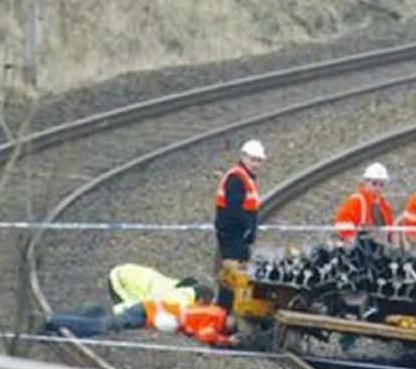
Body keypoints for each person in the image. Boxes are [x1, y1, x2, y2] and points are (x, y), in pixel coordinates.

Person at [43, 288, 242, 347]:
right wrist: (226, 341)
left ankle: (66, 318)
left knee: (104, 323)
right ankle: (55, 321)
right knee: (102, 326)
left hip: (148, 308)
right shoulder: (213, 322)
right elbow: (205, 335)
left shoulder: (214, 311)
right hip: (146, 314)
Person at [214, 139, 266, 310]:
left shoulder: (243, 178)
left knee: (235, 274)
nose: (256, 164)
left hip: (236, 235)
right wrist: (246, 229)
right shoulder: (237, 178)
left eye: (259, 161)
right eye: (253, 160)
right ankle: (225, 312)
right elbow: (234, 209)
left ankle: (228, 311)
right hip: (233, 235)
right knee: (232, 275)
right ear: (243, 157)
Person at [333, 162, 395, 241]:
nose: (378, 187)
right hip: (361, 247)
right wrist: (352, 239)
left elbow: (389, 227)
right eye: (374, 183)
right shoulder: (356, 200)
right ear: (366, 182)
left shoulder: (383, 204)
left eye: (381, 184)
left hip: (378, 247)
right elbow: (341, 223)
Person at [107, 263, 200, 314]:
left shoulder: (173, 287)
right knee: (136, 312)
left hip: (128, 274)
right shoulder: (163, 294)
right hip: (119, 279)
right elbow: (142, 306)